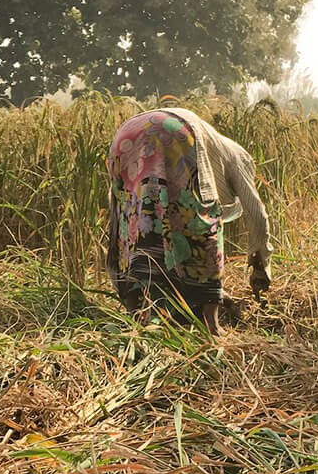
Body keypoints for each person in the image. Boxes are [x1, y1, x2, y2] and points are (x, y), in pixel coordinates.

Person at [106, 107, 272, 333]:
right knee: (206, 224)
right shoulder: (240, 157)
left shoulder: (214, 144)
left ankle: (138, 314)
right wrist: (261, 266)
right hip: (172, 130)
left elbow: (170, 233)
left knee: (136, 219)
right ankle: (212, 325)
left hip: (128, 132)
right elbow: (256, 213)